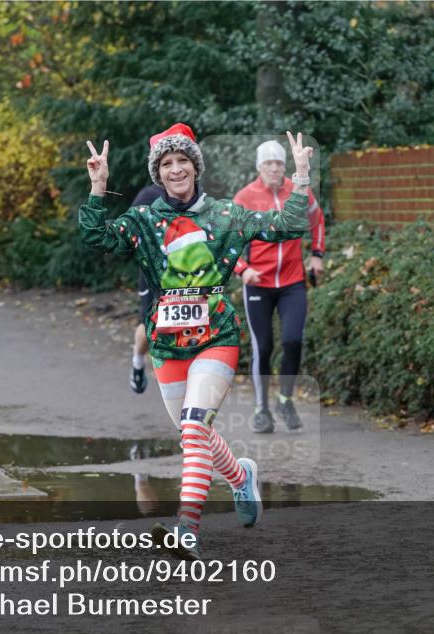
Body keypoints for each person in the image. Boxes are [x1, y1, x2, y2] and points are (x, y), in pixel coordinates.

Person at [80, 123, 314, 560]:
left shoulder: (225, 214)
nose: (175, 170)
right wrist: (98, 188)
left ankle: (186, 529)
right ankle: (241, 477)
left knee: (193, 426)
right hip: (167, 346)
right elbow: (97, 237)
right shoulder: (144, 220)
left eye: (182, 161)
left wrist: (299, 176)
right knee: (196, 435)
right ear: (158, 173)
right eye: (166, 164)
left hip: (215, 339)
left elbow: (289, 224)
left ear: (195, 166)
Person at [233, 140, 326, 433]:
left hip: (292, 282)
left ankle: (285, 400)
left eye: (279, 164)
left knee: (292, 341)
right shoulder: (245, 198)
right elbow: (229, 241)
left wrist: (317, 254)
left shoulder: (298, 190)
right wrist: (242, 270)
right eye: (268, 163)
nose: (274, 168)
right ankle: (262, 410)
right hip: (257, 283)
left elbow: (317, 219)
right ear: (259, 167)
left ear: (285, 167)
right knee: (264, 346)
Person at [129, 184, 164, 394]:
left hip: (184, 275)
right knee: (149, 326)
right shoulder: (150, 195)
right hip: (152, 274)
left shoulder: (195, 195)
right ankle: (138, 363)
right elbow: (131, 230)